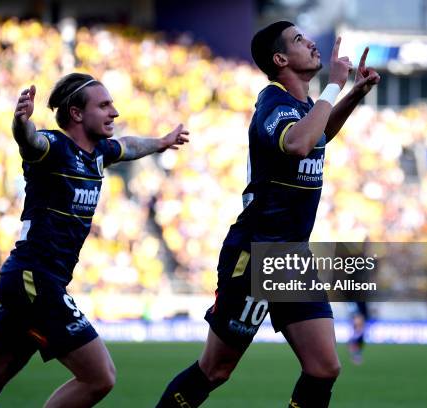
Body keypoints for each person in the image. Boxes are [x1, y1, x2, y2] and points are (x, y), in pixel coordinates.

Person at [157, 21, 380, 408]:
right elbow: (297, 144)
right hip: (257, 254)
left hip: (291, 257)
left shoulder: (304, 107)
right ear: (280, 59)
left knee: (324, 367)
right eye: (299, 40)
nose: (311, 43)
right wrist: (335, 85)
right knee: (216, 370)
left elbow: (317, 135)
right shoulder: (273, 105)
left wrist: (355, 93)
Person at [0, 72, 189, 407]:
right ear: (76, 113)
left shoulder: (99, 152)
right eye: (104, 105)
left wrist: (160, 142)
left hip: (27, 281)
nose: (114, 112)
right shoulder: (54, 148)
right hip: (35, 279)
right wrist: (21, 122)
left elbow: (129, 146)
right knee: (100, 377)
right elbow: (30, 141)